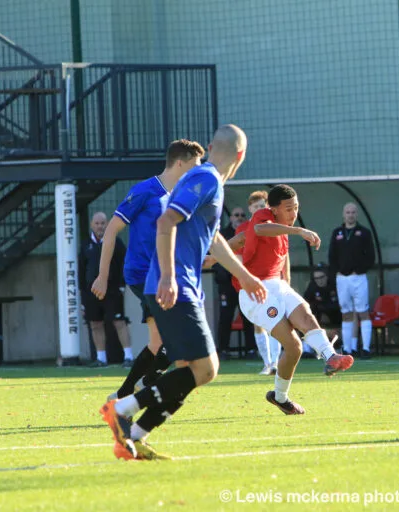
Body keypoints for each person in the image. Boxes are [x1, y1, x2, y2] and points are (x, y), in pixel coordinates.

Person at [100, 124, 267, 461]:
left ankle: (133, 436)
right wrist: (168, 277)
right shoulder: (206, 179)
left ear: (210, 146)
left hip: (179, 285)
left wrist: (246, 277)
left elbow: (214, 239)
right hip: (175, 287)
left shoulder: (208, 182)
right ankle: (122, 409)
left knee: (191, 370)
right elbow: (166, 223)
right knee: (206, 369)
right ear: (241, 155)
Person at [91, 139, 205, 399]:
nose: (199, 172)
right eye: (195, 165)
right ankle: (135, 391)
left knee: (161, 342)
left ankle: (128, 393)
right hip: (142, 275)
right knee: (170, 339)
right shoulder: (145, 190)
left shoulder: (182, 197)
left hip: (167, 276)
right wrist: (103, 274)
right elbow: (112, 230)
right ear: (179, 162)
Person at [229, 184, 354, 415]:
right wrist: (299, 231)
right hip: (254, 291)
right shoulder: (262, 218)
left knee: (305, 315)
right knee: (293, 344)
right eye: (288, 208)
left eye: (296, 207)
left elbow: (236, 244)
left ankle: (327, 359)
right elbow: (253, 232)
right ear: (272, 209)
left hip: (276, 285)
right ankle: (279, 383)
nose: (293, 213)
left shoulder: (283, 229)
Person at [232, 191, 282, 374]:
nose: (259, 209)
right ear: (250, 209)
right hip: (252, 281)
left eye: (262, 206)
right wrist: (243, 278)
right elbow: (236, 255)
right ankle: (267, 363)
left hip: (272, 279)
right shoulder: (243, 229)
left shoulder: (275, 227)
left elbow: (284, 255)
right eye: (255, 207)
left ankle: (276, 363)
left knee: (275, 318)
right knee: (258, 321)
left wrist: (287, 277)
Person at [79, 211, 132, 367]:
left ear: (107, 224)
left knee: (119, 321)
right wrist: (83, 297)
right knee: (95, 323)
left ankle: (129, 356)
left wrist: (122, 286)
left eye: (102, 223)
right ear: (91, 225)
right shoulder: (85, 245)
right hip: (91, 292)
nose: (100, 226)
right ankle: (101, 358)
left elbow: (125, 263)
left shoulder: (115, 242)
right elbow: (81, 271)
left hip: (112, 290)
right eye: (97, 223)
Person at [329, 203, 375, 358]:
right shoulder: (337, 233)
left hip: (359, 278)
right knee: (346, 313)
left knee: (363, 311)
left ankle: (366, 348)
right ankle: (348, 349)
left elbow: (370, 256)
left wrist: (359, 270)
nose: (350, 215)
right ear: (343, 214)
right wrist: (338, 272)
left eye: (353, 212)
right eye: (348, 212)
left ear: (357, 214)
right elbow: (332, 256)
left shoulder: (364, 232)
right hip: (342, 278)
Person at [214, 205, 256, 360]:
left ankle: (251, 349)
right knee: (225, 316)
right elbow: (217, 257)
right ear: (230, 217)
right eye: (236, 214)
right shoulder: (222, 235)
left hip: (244, 283)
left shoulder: (248, 233)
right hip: (227, 283)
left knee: (248, 316)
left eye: (242, 215)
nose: (239, 217)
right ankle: (222, 350)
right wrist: (224, 276)